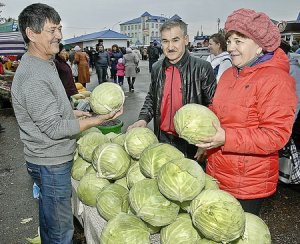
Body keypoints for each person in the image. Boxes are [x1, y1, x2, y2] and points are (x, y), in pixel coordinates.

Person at [11, 3, 122, 243]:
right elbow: (54, 128)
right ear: (32, 34)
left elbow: (48, 113)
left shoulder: (44, 62)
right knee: (62, 232)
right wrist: (98, 119)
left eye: (59, 28)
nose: (59, 36)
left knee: (50, 223)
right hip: (50, 164)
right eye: (52, 30)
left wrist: (72, 113)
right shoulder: (33, 76)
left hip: (47, 160)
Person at [196, 8, 297, 215]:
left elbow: (276, 136)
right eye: (229, 40)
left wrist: (226, 138)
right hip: (217, 171)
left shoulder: (277, 80)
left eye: (239, 41)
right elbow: (218, 111)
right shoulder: (229, 75)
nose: (231, 47)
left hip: (247, 183)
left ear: (260, 45)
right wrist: (202, 132)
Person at [128, 19, 216, 159]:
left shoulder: (202, 68)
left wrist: (206, 141)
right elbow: (152, 97)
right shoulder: (157, 68)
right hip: (162, 137)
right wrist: (143, 119)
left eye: (175, 40)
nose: (170, 47)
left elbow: (213, 106)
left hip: (190, 142)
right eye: (165, 41)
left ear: (186, 40)